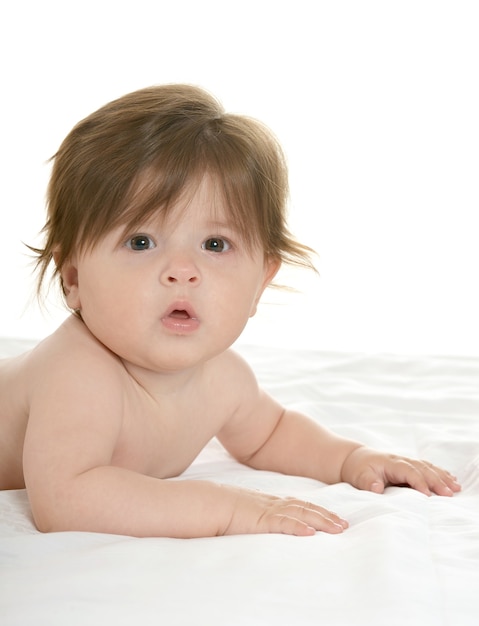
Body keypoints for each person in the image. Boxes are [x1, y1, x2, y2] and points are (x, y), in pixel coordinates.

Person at [0, 84, 460, 538]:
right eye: (141, 242)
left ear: (261, 279)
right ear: (74, 277)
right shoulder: (76, 375)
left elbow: (271, 434)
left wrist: (350, 459)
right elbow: (65, 500)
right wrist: (227, 509)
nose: (182, 271)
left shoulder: (224, 378)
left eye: (214, 244)